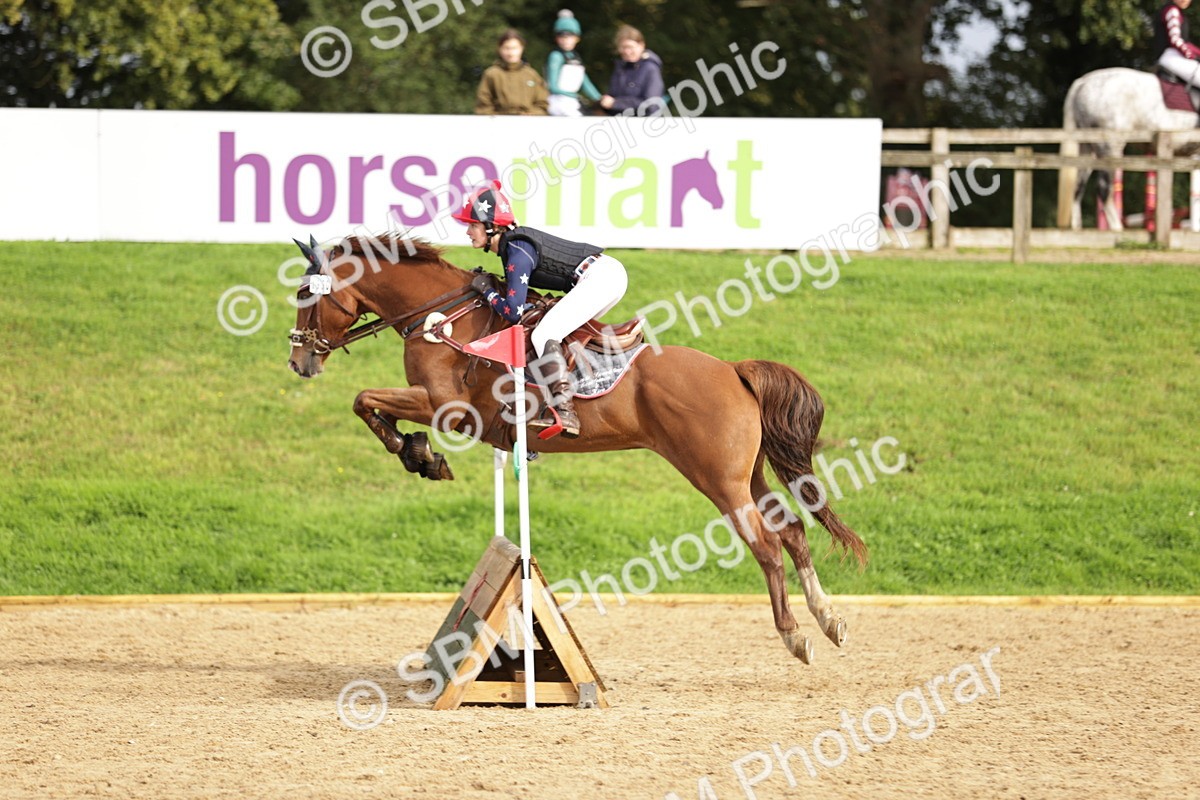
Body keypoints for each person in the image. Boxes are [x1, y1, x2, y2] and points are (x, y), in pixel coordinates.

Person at [451, 180, 628, 439]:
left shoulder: (516, 250)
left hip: (601, 278)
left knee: (544, 335)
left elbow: (513, 312)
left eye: (473, 225)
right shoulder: (514, 247)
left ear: (492, 227)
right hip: (603, 275)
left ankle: (565, 412)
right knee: (550, 335)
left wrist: (486, 290)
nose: (468, 231)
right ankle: (552, 404)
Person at [475, 29, 549, 116]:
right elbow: (483, 104)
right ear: (500, 49)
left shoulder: (531, 75)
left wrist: (531, 114)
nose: (511, 53)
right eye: (506, 48)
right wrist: (495, 118)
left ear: (521, 48)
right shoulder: (492, 74)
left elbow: (542, 104)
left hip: (527, 122)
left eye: (514, 48)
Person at [545, 9, 603, 117]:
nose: (565, 40)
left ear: (577, 38)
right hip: (558, 102)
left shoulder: (575, 57)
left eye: (570, 36)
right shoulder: (556, 56)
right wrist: (574, 96)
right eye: (562, 37)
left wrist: (599, 98)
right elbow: (552, 86)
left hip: (571, 102)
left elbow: (585, 82)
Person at [599, 24, 664, 116]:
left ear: (641, 46)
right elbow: (612, 98)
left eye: (630, 47)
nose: (627, 51)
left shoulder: (650, 69)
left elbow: (651, 104)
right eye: (623, 47)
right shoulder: (619, 69)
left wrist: (616, 103)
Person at [1155, 0, 1200, 87]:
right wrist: (1191, 56)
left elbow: (1187, 44)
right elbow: (1175, 39)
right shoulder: (1172, 10)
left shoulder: (1177, 12)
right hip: (1170, 56)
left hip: (1174, 56)